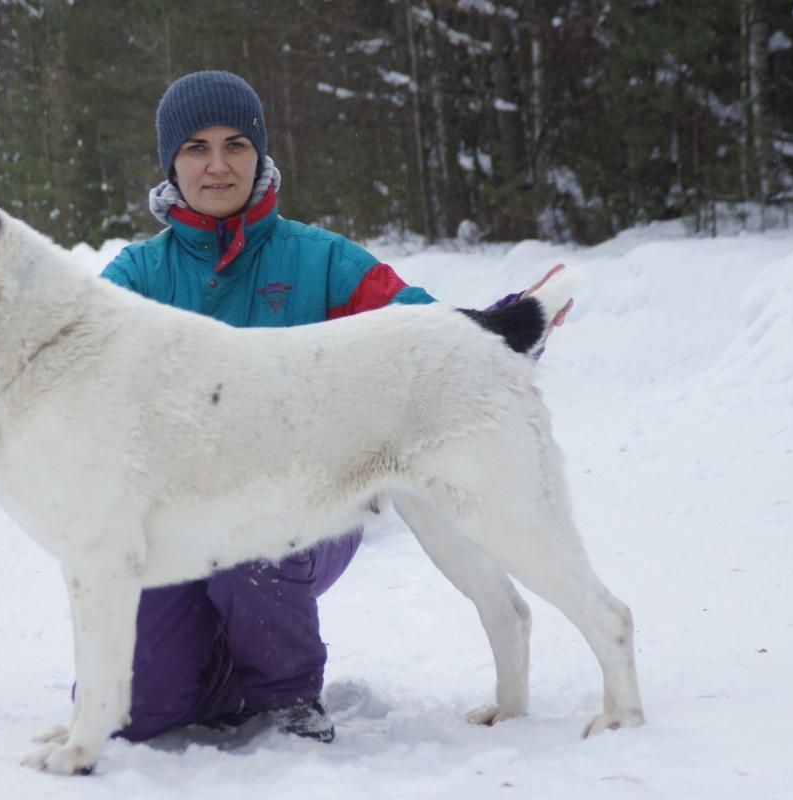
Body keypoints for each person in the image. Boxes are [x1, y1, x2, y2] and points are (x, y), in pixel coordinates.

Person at [98, 70, 561, 745]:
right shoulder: (137, 277)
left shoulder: (320, 260)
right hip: (172, 524)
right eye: (196, 148)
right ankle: (224, 656)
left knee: (251, 538)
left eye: (235, 144)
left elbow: (419, 336)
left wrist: (498, 336)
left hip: (309, 510)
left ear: (260, 154)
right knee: (138, 708)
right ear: (172, 161)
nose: (218, 165)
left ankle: (287, 697)